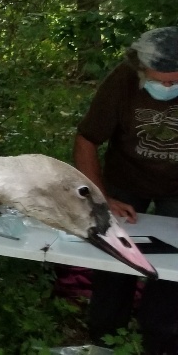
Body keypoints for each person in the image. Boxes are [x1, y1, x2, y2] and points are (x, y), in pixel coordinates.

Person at [75, 26, 178, 354]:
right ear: (140, 70)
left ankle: (160, 337)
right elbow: (87, 138)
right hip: (126, 177)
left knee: (175, 264)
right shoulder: (122, 81)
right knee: (115, 253)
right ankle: (105, 336)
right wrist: (101, 198)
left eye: (175, 81)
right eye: (159, 80)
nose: (167, 87)